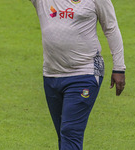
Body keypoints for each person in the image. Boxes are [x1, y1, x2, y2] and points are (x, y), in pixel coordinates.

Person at [31, 0, 126, 149]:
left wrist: (119, 67)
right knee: (64, 135)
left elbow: (111, 28)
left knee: (70, 131)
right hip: (51, 74)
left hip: (85, 72)